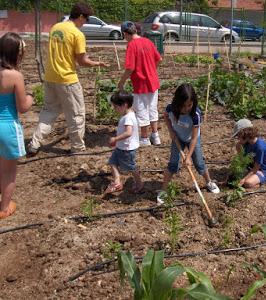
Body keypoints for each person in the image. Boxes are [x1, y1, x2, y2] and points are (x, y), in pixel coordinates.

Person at [27, 2, 108, 155]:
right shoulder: (77, 34)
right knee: (76, 114)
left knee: (48, 112)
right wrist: (97, 63)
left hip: (50, 77)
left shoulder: (56, 27)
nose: (85, 23)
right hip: (67, 79)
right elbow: (82, 61)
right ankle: (77, 148)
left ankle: (34, 143)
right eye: (86, 19)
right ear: (81, 16)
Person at [157, 83, 220, 204]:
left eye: (189, 105)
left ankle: (209, 182)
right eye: (183, 106)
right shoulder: (171, 109)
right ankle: (163, 190)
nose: (186, 108)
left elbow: (195, 137)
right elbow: (165, 116)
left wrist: (188, 156)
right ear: (177, 103)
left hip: (192, 139)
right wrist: (171, 131)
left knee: (199, 163)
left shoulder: (195, 115)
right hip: (177, 138)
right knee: (173, 164)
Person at [0, 33, 33, 218]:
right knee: (8, 171)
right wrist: (31, 97)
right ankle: (4, 208)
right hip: (7, 127)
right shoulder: (15, 76)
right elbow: (23, 107)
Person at [118, 21, 162, 147]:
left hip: (140, 83)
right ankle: (155, 136)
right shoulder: (148, 41)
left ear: (125, 33)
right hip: (153, 82)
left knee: (142, 111)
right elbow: (159, 59)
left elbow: (130, 67)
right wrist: (151, 70)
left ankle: (144, 139)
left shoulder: (131, 45)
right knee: (153, 110)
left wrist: (121, 82)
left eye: (124, 35)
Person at [105, 91, 142, 194]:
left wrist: (115, 139)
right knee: (112, 162)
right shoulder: (130, 113)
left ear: (125, 105)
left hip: (127, 149)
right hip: (121, 147)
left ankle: (139, 183)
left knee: (131, 167)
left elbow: (128, 133)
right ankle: (117, 182)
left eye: (116, 107)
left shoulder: (128, 118)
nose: (115, 109)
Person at [233, 119, 266, 189]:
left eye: (238, 135)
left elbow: (256, 168)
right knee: (234, 177)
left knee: (247, 183)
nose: (238, 138)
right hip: (251, 167)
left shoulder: (260, 147)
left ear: (245, 133)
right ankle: (250, 176)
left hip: (264, 170)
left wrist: (244, 179)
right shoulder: (246, 143)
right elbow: (242, 160)